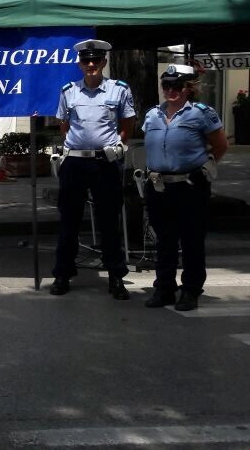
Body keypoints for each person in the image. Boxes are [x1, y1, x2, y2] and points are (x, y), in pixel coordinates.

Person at [51, 39, 137, 299]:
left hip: (105, 162)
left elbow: (128, 122)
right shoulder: (68, 91)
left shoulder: (119, 90)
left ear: (104, 62)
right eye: (86, 61)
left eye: (96, 60)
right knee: (69, 220)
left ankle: (115, 277)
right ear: (80, 64)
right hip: (75, 162)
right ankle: (63, 274)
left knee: (109, 221)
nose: (91, 65)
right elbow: (64, 125)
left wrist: (119, 145)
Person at [141, 64, 227, 311]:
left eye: (177, 86)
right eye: (166, 85)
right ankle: (165, 288)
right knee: (164, 239)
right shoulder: (152, 115)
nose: (171, 91)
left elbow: (220, 146)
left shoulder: (202, 113)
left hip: (189, 186)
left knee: (191, 240)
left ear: (189, 88)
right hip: (158, 185)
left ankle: (190, 289)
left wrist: (204, 169)